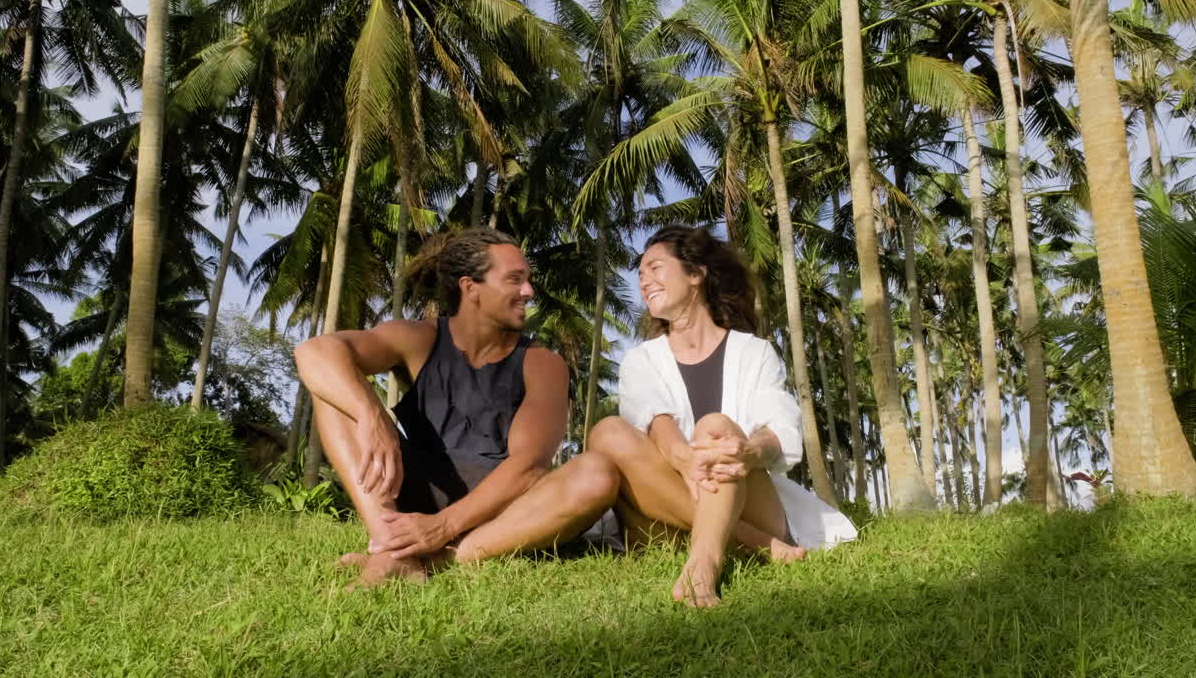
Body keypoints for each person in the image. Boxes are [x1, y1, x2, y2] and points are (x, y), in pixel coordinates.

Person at [295, 228, 620, 589]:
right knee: (334, 392)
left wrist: (444, 527)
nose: (528, 292)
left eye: (527, 280)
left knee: (597, 473)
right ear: (470, 288)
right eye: (515, 280)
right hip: (418, 484)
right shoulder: (420, 338)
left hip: (501, 510)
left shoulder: (542, 363)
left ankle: (433, 558)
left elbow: (527, 468)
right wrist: (372, 416)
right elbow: (315, 352)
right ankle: (391, 544)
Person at [587, 225, 857, 607]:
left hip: (750, 496)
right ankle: (759, 545)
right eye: (641, 273)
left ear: (696, 274)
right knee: (609, 431)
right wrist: (685, 461)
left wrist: (750, 450)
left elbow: (777, 423)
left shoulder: (754, 352)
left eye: (656, 268)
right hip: (666, 512)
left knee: (715, 428)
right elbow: (655, 422)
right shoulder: (641, 360)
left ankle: (706, 559)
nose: (644, 281)